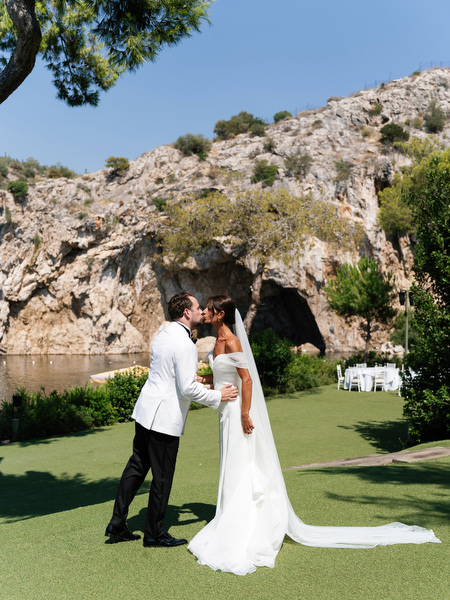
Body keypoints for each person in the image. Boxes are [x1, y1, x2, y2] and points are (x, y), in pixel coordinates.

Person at [188, 295, 441, 576]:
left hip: (236, 412)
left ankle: (242, 524)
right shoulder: (216, 343)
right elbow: (225, 376)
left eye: (208, 309)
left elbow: (247, 379)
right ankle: (230, 517)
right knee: (230, 463)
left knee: (240, 464)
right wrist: (205, 381)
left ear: (221, 314)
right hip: (223, 413)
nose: (204, 312)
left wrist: (245, 413)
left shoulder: (233, 341)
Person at [105, 291, 238, 548]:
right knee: (162, 478)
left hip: (145, 412)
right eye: (198, 307)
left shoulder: (164, 334)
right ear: (187, 312)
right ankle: (154, 533)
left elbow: (169, 374)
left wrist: (195, 381)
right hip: (164, 420)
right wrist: (218, 395)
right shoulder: (185, 344)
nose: (201, 311)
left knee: (135, 468)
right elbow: (187, 389)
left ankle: (117, 523)